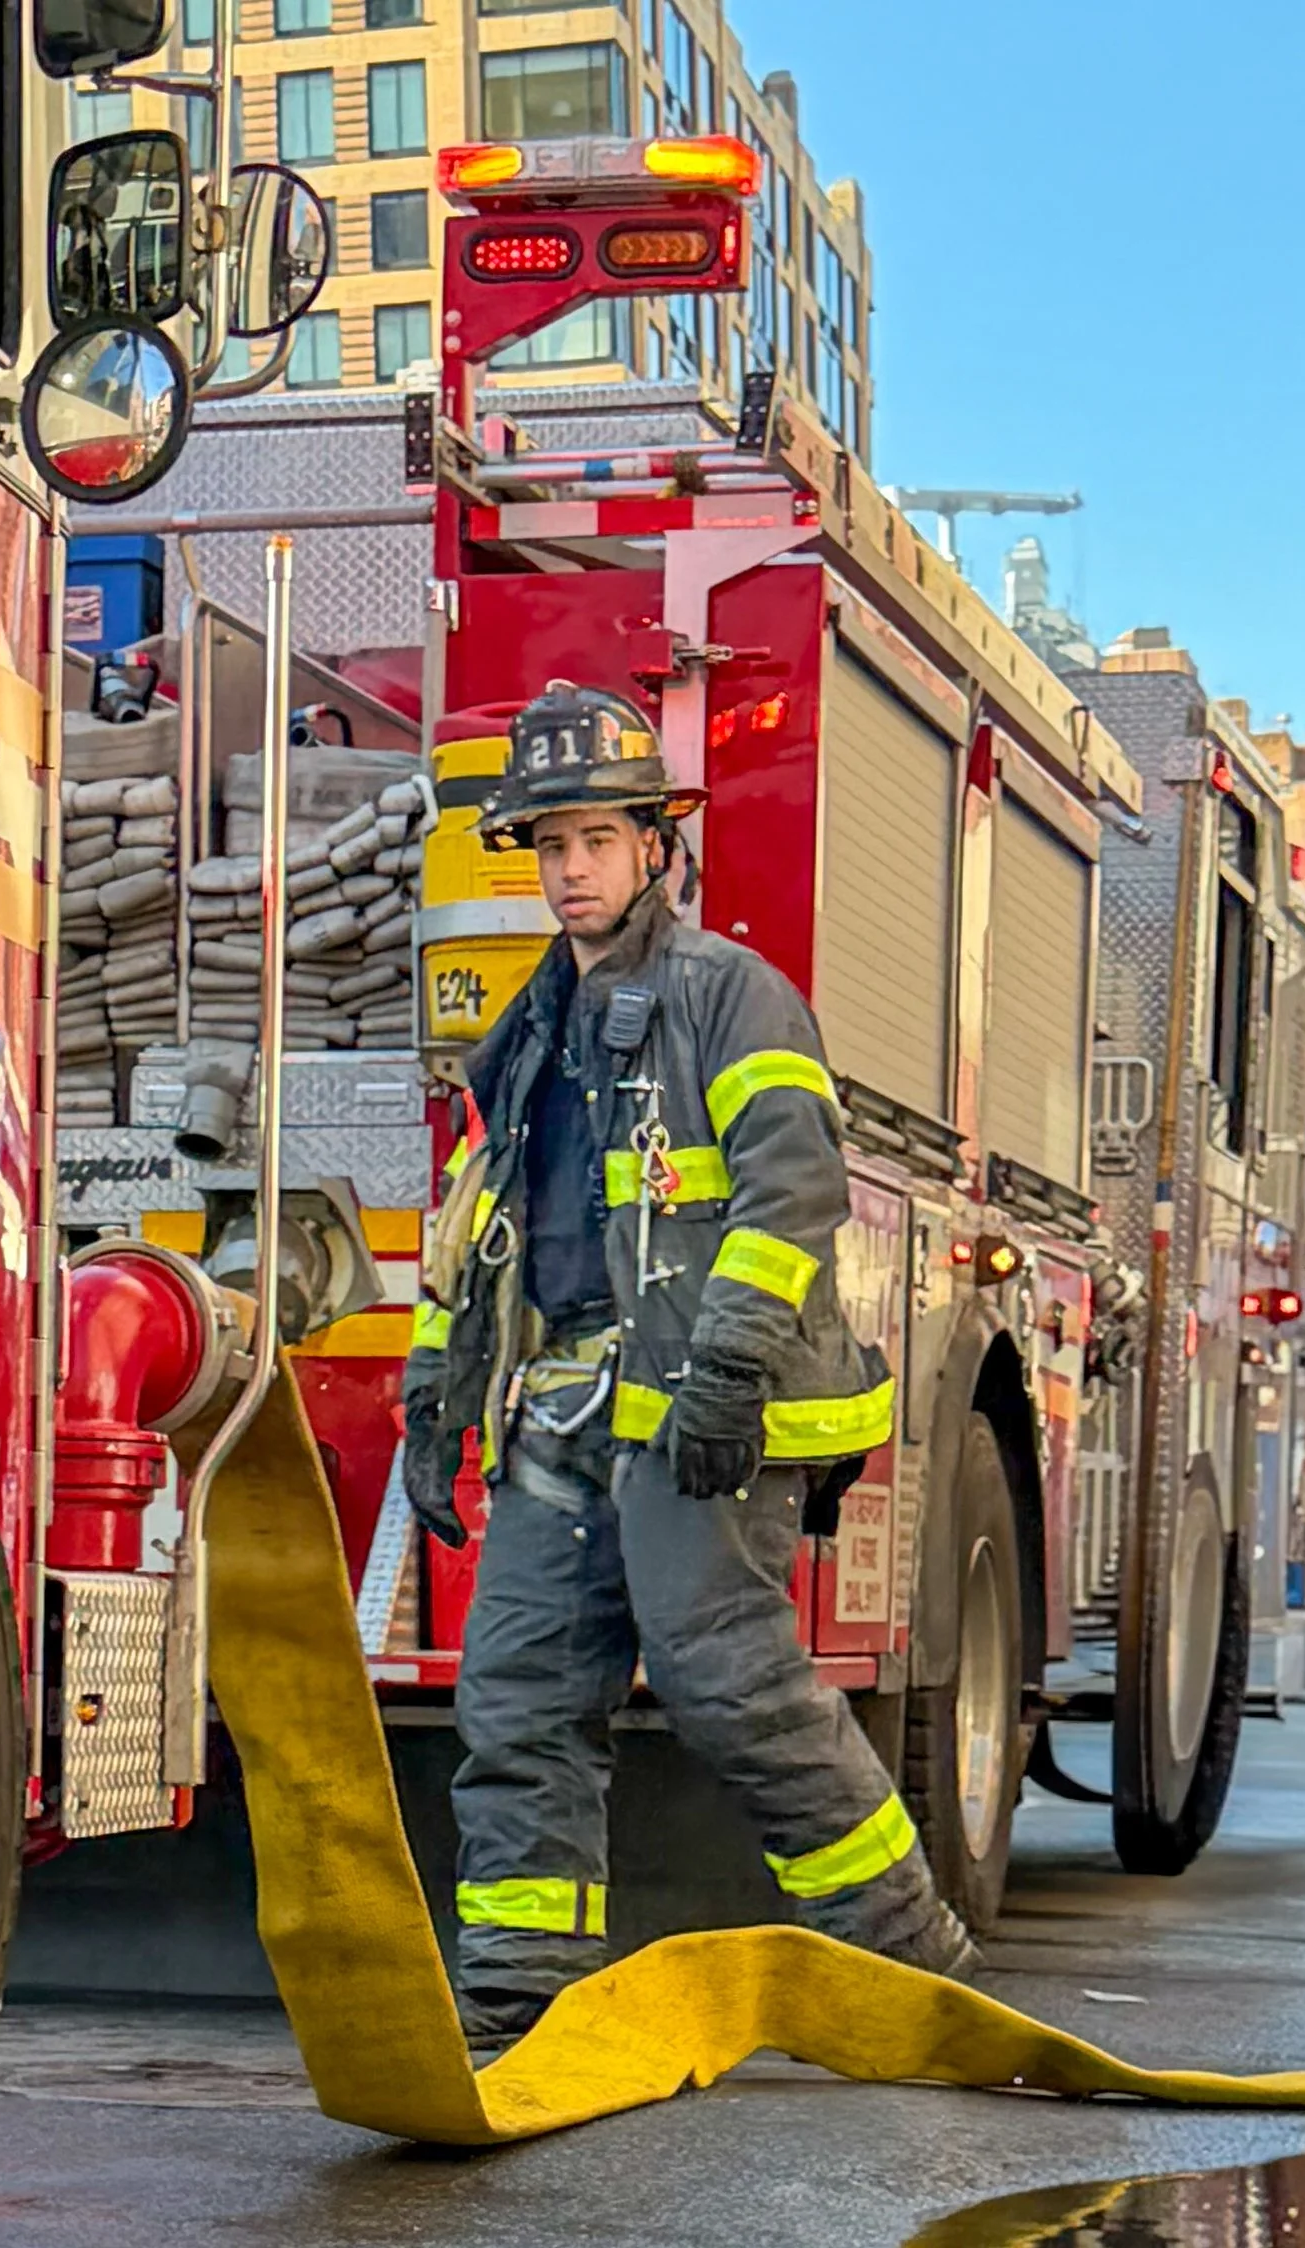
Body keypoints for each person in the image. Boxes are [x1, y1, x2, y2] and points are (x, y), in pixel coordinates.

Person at [399, 681, 976, 2049]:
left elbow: (791, 1196)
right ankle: (516, 2003)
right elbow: (484, 1233)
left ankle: (915, 1965)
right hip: (568, 1416)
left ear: (657, 845)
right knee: (520, 1699)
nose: (571, 869)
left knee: (729, 1685)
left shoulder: (730, 998)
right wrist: (437, 1393)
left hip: (706, 1417)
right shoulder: (528, 1033)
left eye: (597, 838)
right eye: (548, 845)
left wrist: (727, 1371)